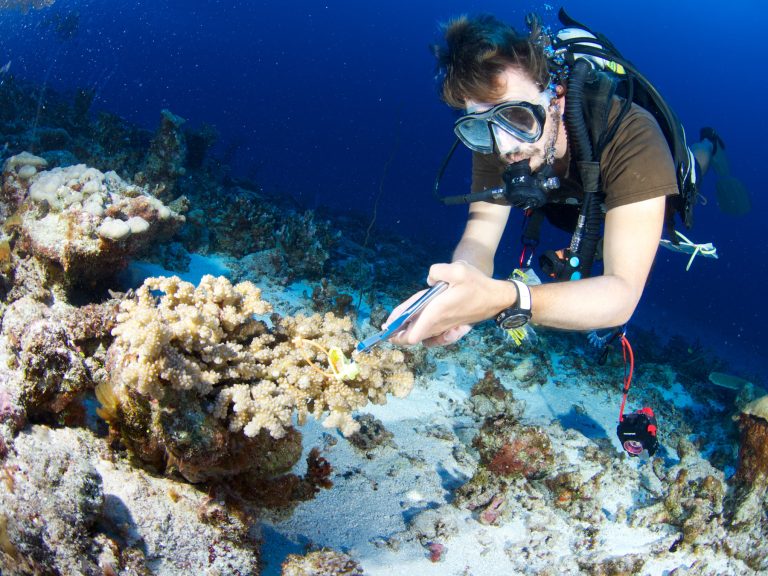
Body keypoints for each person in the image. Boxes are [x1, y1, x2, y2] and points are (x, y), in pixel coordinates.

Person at [383, 13, 743, 348]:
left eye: (519, 117)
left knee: (693, 166)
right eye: (481, 125)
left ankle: (710, 142)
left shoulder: (632, 136)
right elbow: (479, 239)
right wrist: (455, 292)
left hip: (635, 185)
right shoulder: (497, 138)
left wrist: (507, 298)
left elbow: (622, 296)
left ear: (556, 97)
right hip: (569, 203)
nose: (505, 147)